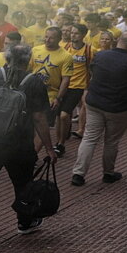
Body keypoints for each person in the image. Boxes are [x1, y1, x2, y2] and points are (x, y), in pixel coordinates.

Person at [0, 44, 54, 248]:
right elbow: (40, 118)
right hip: (20, 145)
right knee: (23, 185)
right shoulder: (34, 82)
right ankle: (24, 222)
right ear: (29, 60)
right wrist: (50, 148)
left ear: (6, 58)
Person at [71, 32, 127, 185]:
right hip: (118, 107)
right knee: (111, 141)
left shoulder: (101, 55)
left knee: (89, 138)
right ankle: (108, 173)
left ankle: (78, 174)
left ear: (117, 41)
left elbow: (92, 71)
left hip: (95, 102)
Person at [30, 27, 73, 156]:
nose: (47, 40)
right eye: (46, 36)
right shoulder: (35, 50)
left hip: (50, 95)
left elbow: (66, 80)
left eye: (51, 37)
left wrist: (58, 98)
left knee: (43, 126)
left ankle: (33, 156)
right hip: (31, 92)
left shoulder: (66, 56)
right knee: (29, 125)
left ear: (59, 39)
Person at [57, 24, 92, 150]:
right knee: (59, 117)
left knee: (64, 115)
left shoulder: (89, 50)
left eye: (76, 33)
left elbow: (92, 68)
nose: (72, 35)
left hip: (78, 86)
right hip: (62, 85)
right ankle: (60, 139)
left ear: (83, 35)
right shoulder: (64, 48)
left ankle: (61, 144)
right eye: (72, 32)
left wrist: (89, 86)